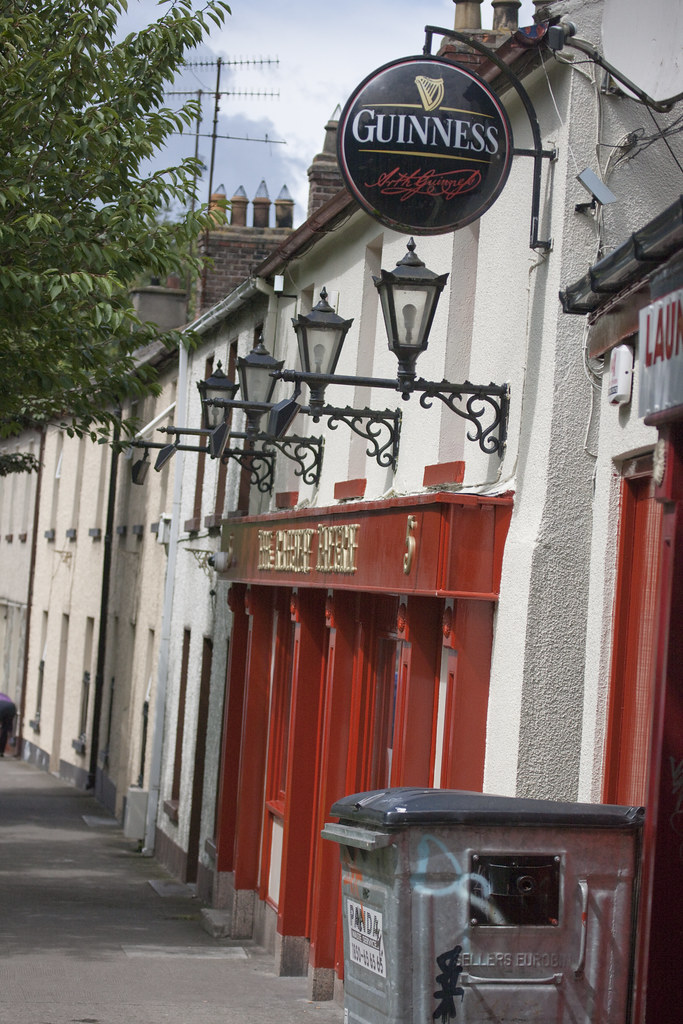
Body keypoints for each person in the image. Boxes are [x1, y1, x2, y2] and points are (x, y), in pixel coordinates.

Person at [0, 693, 17, 757]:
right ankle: (1, 751)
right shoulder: (4, 696)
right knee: (5, 730)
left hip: (2, 708)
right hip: (12, 708)